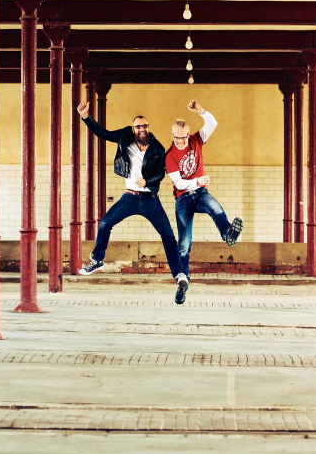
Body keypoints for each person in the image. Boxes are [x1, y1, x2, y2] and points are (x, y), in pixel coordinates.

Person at [76, 103, 190, 304]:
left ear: (148, 127)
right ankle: (97, 260)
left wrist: (147, 181)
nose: (141, 129)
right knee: (105, 224)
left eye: (144, 126)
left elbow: (160, 174)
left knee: (168, 236)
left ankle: (179, 275)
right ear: (133, 129)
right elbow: (103, 133)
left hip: (149, 200)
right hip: (129, 197)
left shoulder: (157, 148)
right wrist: (86, 117)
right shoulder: (124, 137)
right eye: (138, 127)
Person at [165, 100, 243, 279]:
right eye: (177, 138)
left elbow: (213, 124)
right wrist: (198, 181)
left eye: (184, 137)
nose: (181, 141)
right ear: (172, 136)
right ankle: (182, 278)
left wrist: (201, 111)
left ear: (188, 134)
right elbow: (179, 184)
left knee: (215, 207)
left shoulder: (196, 140)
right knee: (184, 242)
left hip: (200, 194)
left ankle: (228, 234)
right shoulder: (170, 155)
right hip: (183, 200)